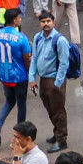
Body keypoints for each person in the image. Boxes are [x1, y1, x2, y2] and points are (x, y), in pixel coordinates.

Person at [29, 11, 72, 152]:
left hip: (55, 80)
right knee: (50, 108)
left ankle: (61, 140)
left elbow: (64, 64)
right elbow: (34, 58)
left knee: (58, 110)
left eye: (48, 21)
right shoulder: (37, 38)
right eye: (43, 21)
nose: (46, 24)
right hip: (43, 79)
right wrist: (32, 79)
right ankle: (57, 132)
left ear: (53, 22)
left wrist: (58, 84)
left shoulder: (60, 40)